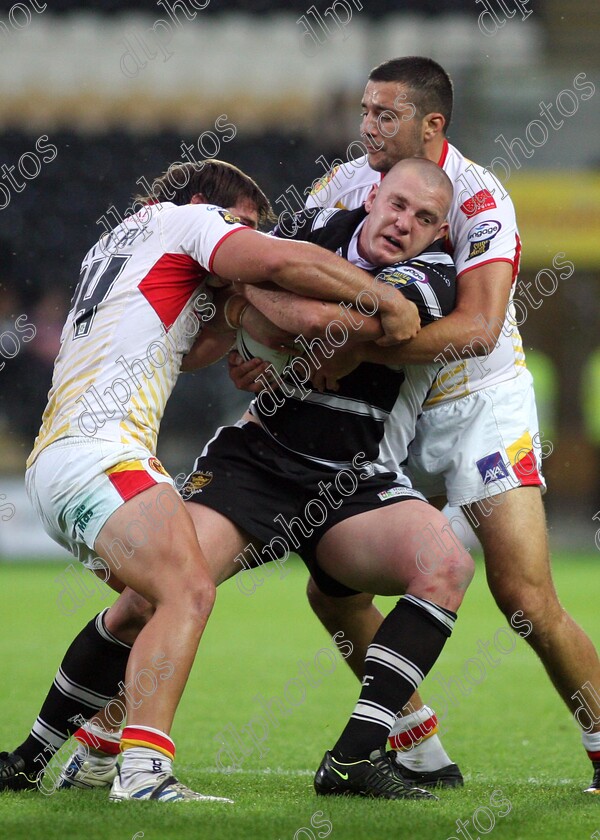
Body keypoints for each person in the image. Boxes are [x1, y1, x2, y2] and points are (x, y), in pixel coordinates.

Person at [2, 158, 470, 801]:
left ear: (439, 230)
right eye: (396, 205)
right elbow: (273, 286)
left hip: (350, 475)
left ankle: (355, 759)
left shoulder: (436, 270)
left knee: (443, 565)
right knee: (167, 594)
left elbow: (250, 332)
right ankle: (106, 759)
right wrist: (328, 305)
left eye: (424, 218)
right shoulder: (250, 226)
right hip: (239, 458)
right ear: (373, 198)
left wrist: (260, 318)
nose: (404, 223)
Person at [291, 55, 600, 793]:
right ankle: (416, 743)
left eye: (385, 114)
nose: (367, 125)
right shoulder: (340, 187)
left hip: (477, 408)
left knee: (523, 596)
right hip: (389, 411)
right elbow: (287, 274)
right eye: (365, 110)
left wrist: (351, 342)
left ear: (433, 125)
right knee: (331, 591)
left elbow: (480, 327)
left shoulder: (480, 195)